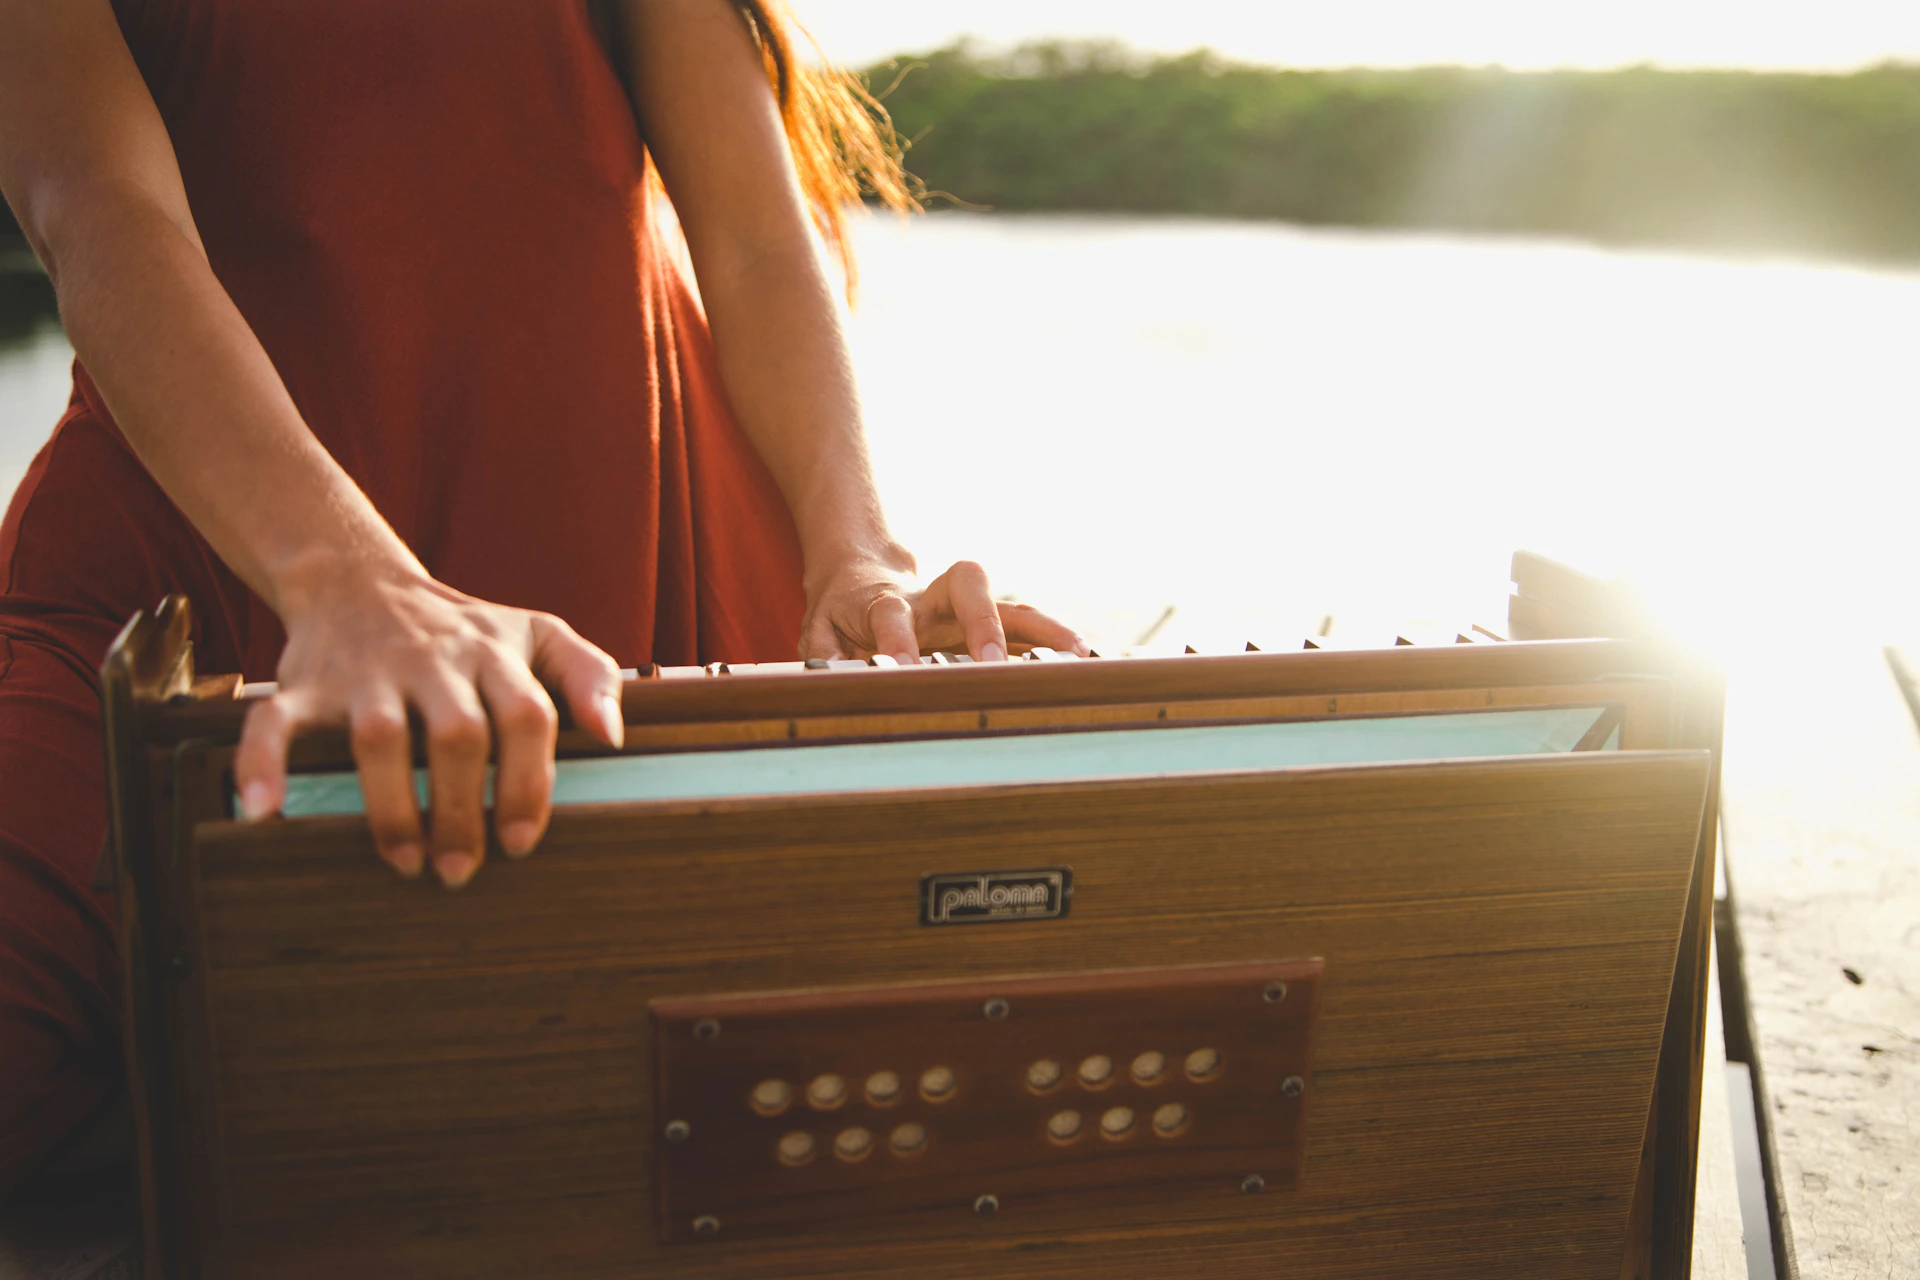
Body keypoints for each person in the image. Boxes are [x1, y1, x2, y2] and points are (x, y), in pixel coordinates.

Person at [0, 0, 1083, 1196]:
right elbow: (98, 210)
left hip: (626, 550)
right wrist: (350, 583)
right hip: (192, 573)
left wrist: (857, 555)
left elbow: (757, 239)